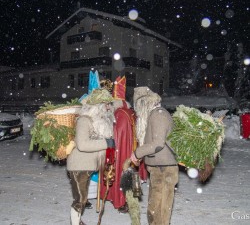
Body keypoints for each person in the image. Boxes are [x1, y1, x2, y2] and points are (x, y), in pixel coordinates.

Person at [130, 86, 179, 225]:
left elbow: (158, 143)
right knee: (154, 207)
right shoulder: (155, 113)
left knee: (161, 206)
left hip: (165, 168)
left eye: (139, 106)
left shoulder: (158, 114)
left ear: (145, 103)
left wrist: (137, 153)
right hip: (158, 167)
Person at [67, 88, 115, 225]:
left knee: (83, 197)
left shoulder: (96, 121)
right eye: (106, 104)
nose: (108, 107)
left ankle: (77, 220)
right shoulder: (84, 120)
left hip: (88, 165)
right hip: (79, 165)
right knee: (80, 199)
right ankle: (75, 223)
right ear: (97, 105)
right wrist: (106, 143)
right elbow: (82, 145)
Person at [100, 76, 147, 213]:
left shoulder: (119, 114)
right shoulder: (130, 111)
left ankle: (121, 200)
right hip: (132, 151)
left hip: (122, 151)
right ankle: (127, 199)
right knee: (129, 174)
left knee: (121, 174)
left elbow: (115, 135)